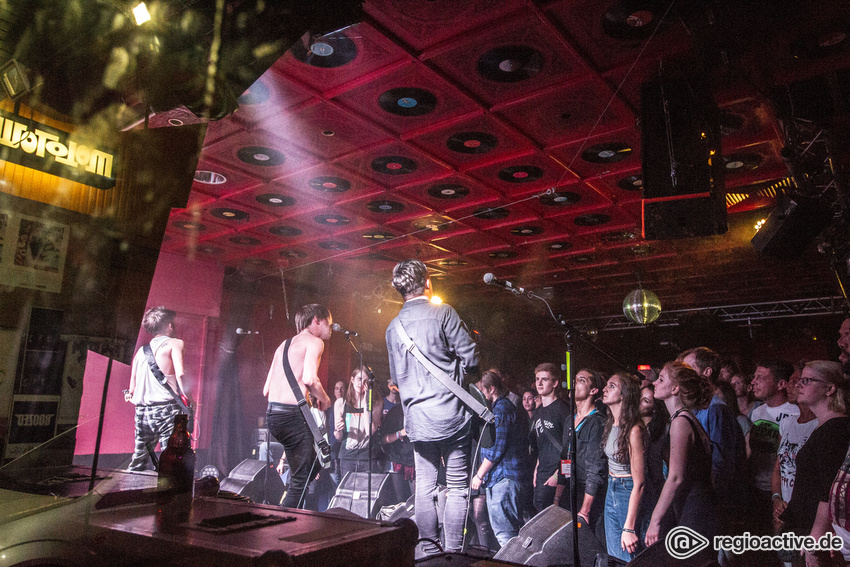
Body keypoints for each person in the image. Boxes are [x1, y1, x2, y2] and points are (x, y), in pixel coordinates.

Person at [385, 259, 480, 555]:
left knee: (424, 488)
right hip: (451, 416)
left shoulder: (393, 328)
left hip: (418, 420)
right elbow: (472, 361)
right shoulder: (443, 313)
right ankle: (452, 553)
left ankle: (427, 551)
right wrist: (457, 380)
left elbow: (396, 378)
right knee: (456, 487)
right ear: (428, 283)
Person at [645, 362, 718, 562]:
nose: (655, 383)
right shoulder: (686, 418)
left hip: (696, 509)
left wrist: (655, 521)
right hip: (698, 505)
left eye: (661, 379)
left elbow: (676, 477)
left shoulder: (680, 422)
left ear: (675, 389)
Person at [779, 361, 850, 567]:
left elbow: (828, 492)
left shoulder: (835, 430)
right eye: (799, 380)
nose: (798, 385)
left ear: (830, 389)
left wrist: (815, 543)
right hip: (807, 529)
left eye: (807, 380)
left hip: (818, 536)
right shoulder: (826, 427)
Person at [263, 303, 332, 509]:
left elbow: (266, 389)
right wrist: (326, 400)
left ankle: (290, 507)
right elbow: (310, 379)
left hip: (273, 416)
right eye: (329, 322)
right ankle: (284, 524)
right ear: (317, 320)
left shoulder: (283, 346)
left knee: (315, 461)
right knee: (301, 479)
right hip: (292, 417)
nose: (331, 328)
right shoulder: (315, 342)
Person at [125, 306, 191, 471]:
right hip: (167, 410)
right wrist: (189, 401)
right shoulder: (175, 343)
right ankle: (169, 495)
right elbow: (181, 375)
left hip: (142, 412)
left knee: (138, 461)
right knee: (171, 459)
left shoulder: (141, 352)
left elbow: (131, 389)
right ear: (169, 325)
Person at [471, 369, 528, 548]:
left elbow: (497, 448)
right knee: (505, 532)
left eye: (482, 390)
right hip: (501, 478)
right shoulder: (498, 408)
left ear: (492, 388)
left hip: (504, 479)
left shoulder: (502, 410)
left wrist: (479, 475)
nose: (480, 394)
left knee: (505, 535)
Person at [749, 359, 799, 553]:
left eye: (760, 378)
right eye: (754, 377)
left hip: (784, 492)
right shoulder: (758, 412)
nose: (753, 382)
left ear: (781, 384)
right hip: (758, 488)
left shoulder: (794, 412)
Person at [601, 372, 647, 562]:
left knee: (627, 554)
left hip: (626, 491)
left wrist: (629, 526)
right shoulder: (612, 423)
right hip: (612, 488)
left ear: (624, 395)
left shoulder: (634, 430)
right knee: (614, 554)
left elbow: (640, 483)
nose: (604, 389)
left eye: (611, 386)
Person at [560, 368, 608, 548]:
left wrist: (585, 510)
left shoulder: (597, 422)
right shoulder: (569, 420)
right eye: (574, 380)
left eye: (581, 380)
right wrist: (559, 496)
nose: (574, 383)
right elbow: (564, 458)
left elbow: (596, 468)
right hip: (571, 491)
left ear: (594, 390)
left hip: (589, 496)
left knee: (591, 547)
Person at [772, 365, 817, 533]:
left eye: (796, 381)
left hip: (807, 512)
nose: (789, 386)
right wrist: (776, 499)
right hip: (784, 507)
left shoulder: (820, 425)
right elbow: (778, 468)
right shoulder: (787, 423)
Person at [529, 362, 570, 514]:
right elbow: (541, 445)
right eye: (537, 378)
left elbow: (569, 448)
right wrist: (536, 469)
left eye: (544, 379)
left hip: (556, 476)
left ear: (555, 383)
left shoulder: (562, 410)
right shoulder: (538, 412)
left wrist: (558, 476)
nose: (539, 383)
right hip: (541, 474)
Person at [334, 366, 383, 479]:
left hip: (367, 457)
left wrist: (367, 401)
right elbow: (338, 437)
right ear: (352, 380)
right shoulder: (341, 403)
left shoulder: (376, 402)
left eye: (366, 381)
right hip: (348, 457)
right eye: (359, 379)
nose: (362, 383)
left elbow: (370, 431)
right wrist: (338, 429)